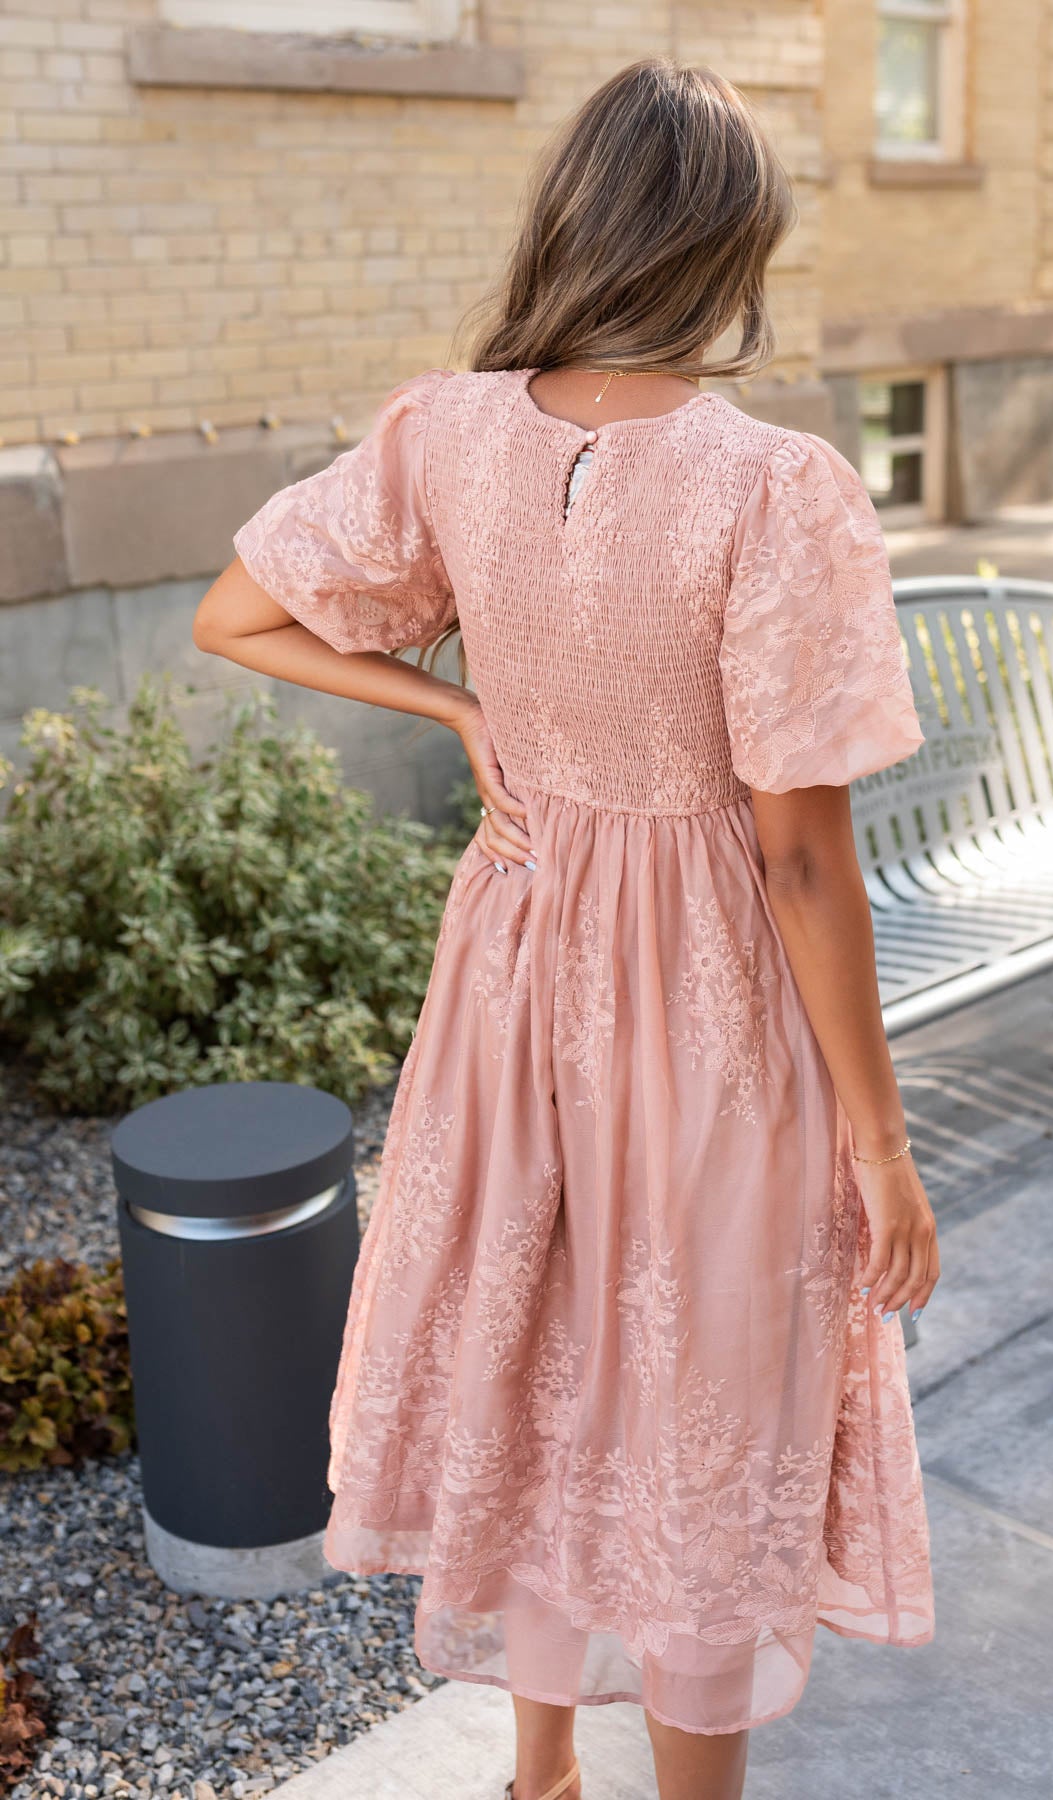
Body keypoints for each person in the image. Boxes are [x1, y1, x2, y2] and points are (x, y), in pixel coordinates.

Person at [194, 56, 939, 1800]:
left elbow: (239, 613)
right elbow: (804, 858)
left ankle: (540, 1775)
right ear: (727, 241)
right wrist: (881, 1145)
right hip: (706, 1014)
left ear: (578, 219)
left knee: (535, 1343)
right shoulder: (774, 488)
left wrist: (459, 714)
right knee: (692, 1398)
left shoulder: (445, 431)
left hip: (517, 970)